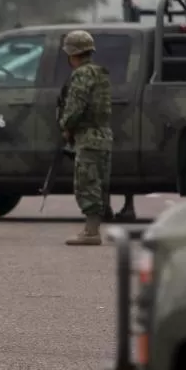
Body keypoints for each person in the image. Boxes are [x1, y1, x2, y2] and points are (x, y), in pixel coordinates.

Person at [58, 30, 113, 246]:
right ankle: (94, 228)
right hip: (103, 134)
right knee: (98, 181)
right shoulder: (101, 73)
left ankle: (91, 232)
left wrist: (66, 126)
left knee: (86, 183)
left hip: (88, 136)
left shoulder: (81, 74)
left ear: (73, 54)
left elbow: (76, 106)